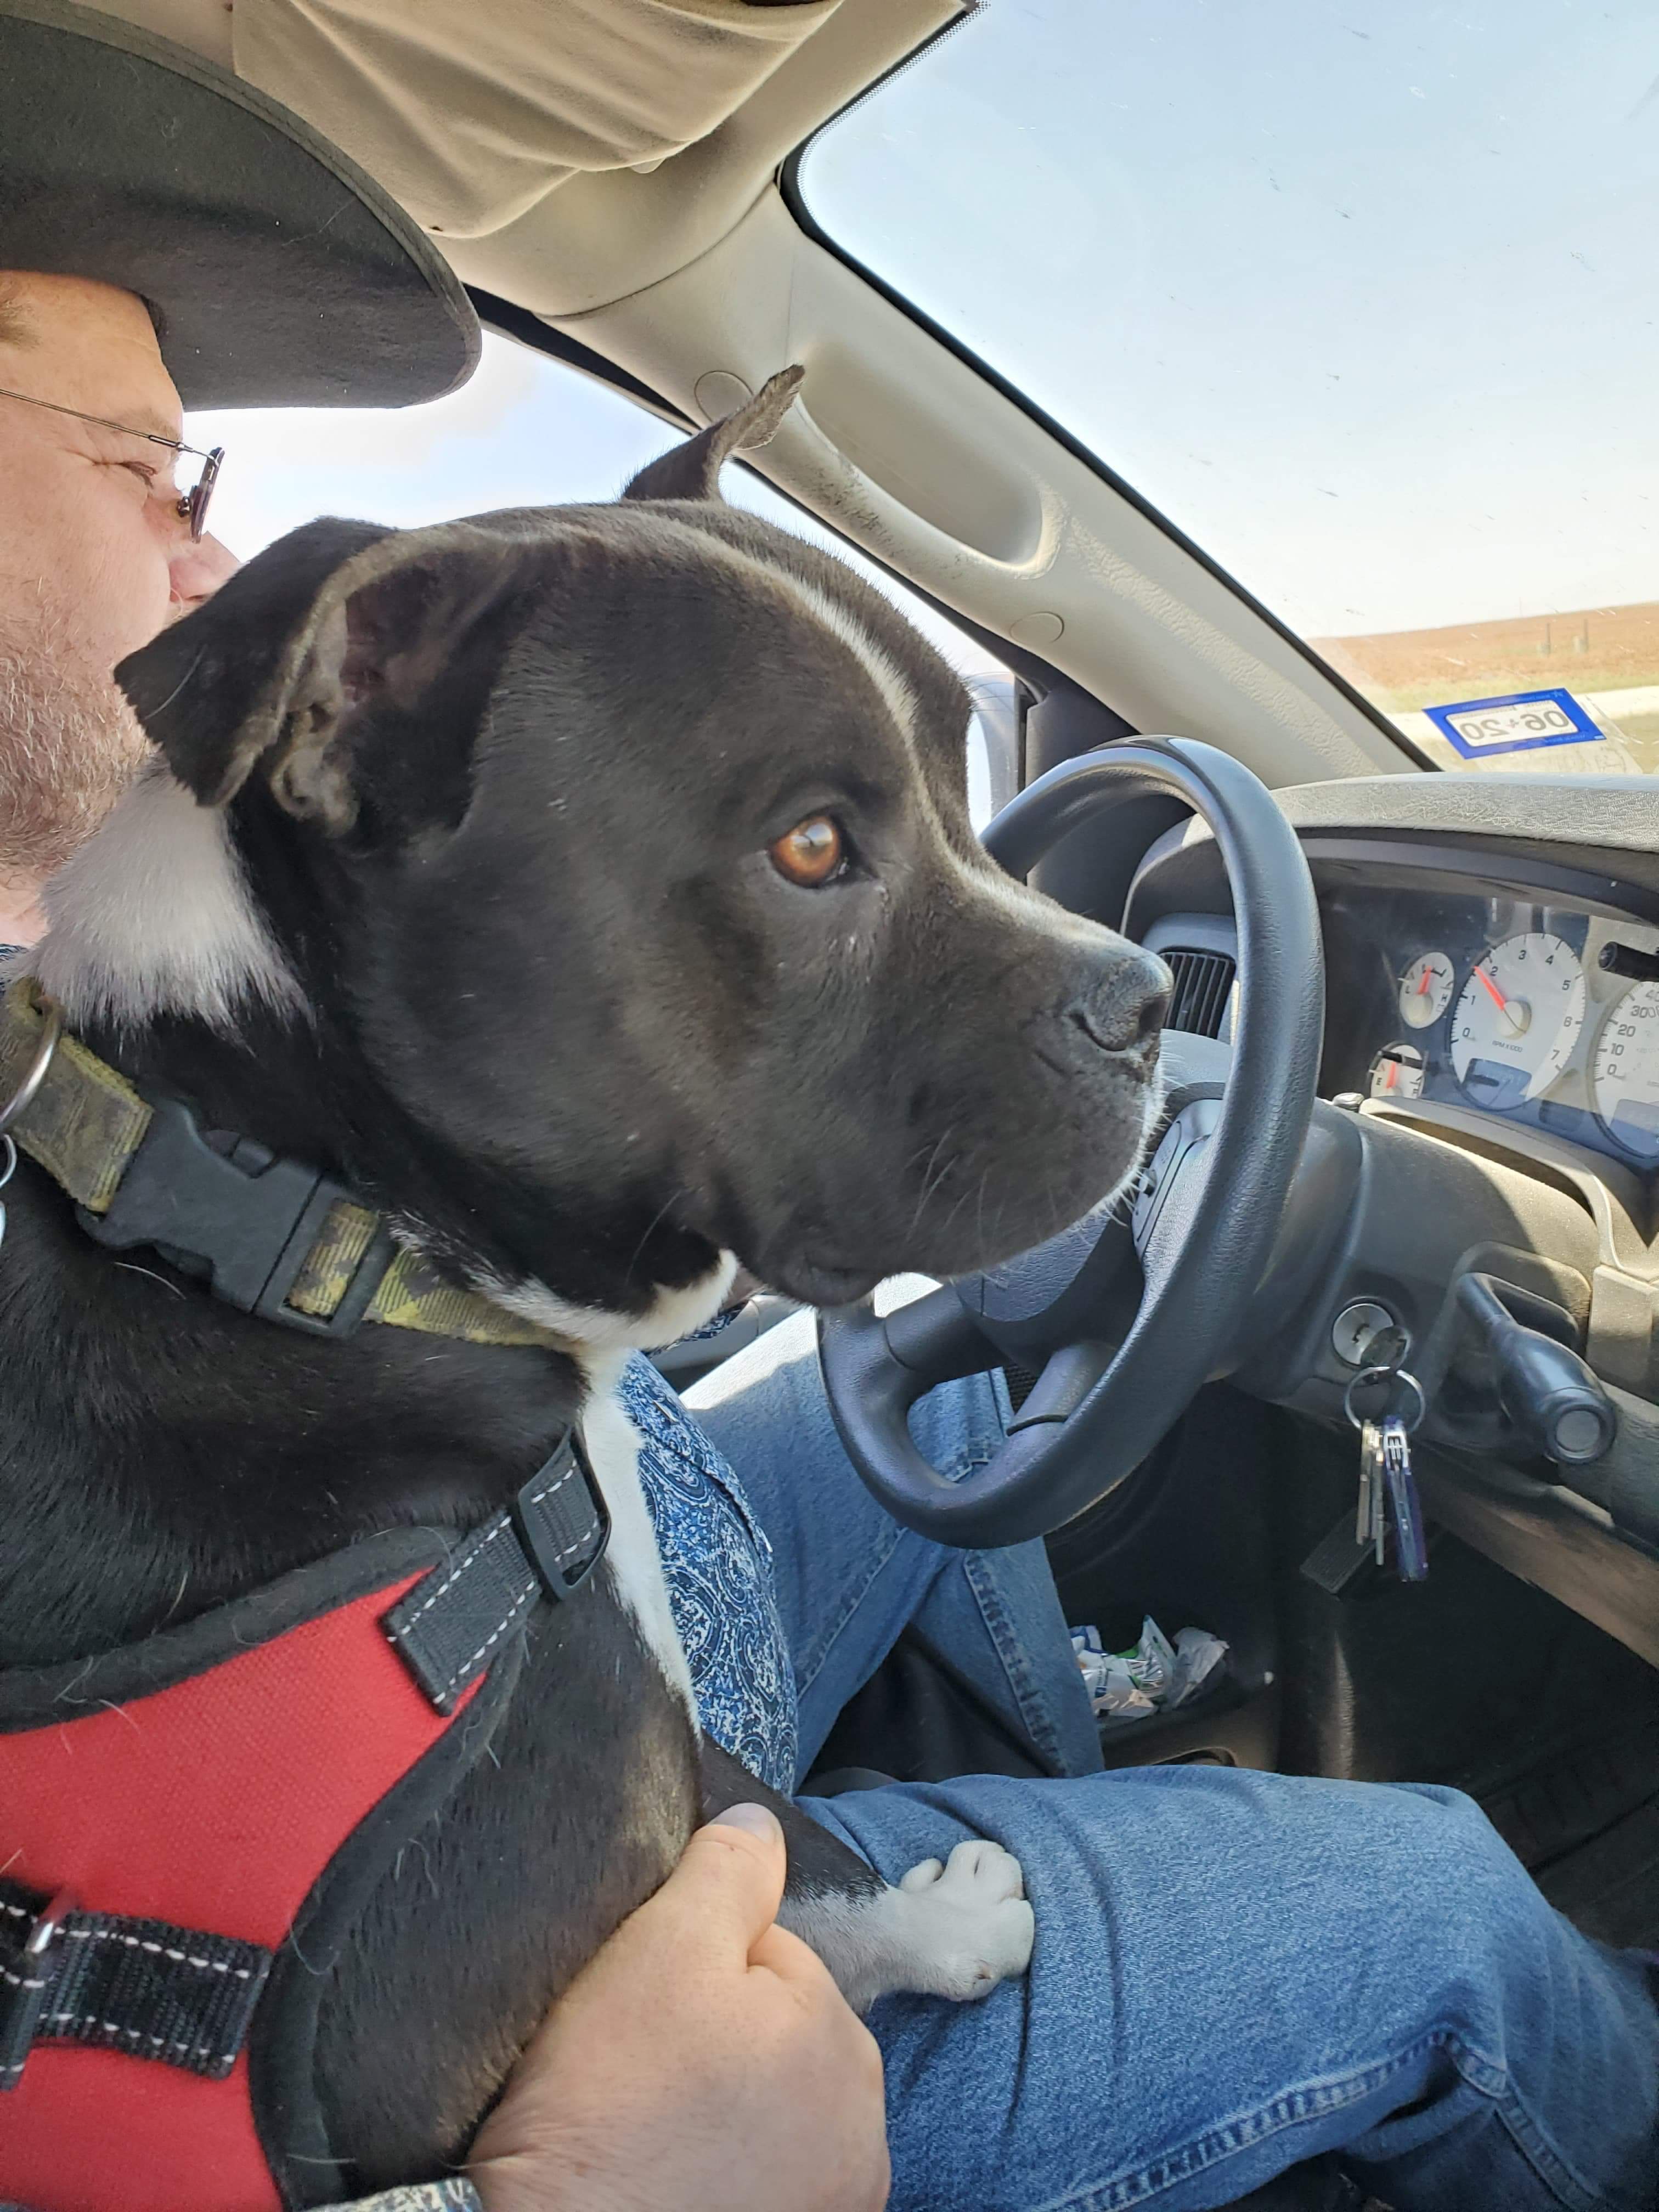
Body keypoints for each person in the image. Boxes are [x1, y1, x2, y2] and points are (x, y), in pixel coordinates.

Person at [2, 26, 1657, 2212]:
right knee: (1436, 1905)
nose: (202, 568)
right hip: (549, 2030)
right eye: (154, 470)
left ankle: (1055, 1776)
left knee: (971, 1387)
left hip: (546, 1623)